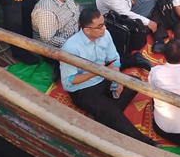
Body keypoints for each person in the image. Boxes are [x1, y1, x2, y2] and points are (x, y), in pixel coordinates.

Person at [60, 8, 157, 146]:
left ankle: (101, 117)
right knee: (112, 113)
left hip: (104, 78)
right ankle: (147, 143)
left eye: (104, 23)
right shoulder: (70, 48)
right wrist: (97, 71)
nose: (104, 28)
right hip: (83, 89)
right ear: (87, 30)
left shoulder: (105, 35)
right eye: (100, 26)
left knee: (134, 83)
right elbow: (68, 82)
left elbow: (115, 59)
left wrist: (117, 80)